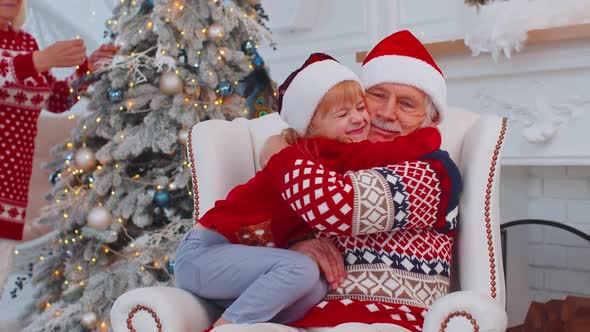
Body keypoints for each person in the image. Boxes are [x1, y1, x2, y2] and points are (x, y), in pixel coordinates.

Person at [174, 53, 442, 331]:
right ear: (311, 127)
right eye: (342, 114)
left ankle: (244, 320)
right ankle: (224, 327)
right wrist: (429, 136)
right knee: (301, 271)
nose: (358, 118)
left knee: (314, 286)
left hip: (243, 264)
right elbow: (382, 153)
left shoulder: (310, 152)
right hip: (207, 252)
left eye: (360, 107)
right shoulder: (325, 151)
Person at [255, 30, 460, 332]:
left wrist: (277, 153)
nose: (387, 113)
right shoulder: (323, 160)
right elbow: (259, 228)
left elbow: (338, 208)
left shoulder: (434, 171)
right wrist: (295, 246)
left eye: (406, 104)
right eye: (376, 95)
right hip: (300, 318)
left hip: (386, 322)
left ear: (428, 120)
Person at [0, 0, 118, 291]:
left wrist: (86, 71)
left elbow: (55, 100)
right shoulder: (33, 54)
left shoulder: (25, 41)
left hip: (11, 186)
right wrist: (39, 60)